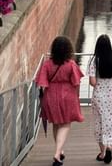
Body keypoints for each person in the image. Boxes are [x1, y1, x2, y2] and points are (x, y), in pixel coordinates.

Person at [35, 36, 84, 166]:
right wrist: (77, 96)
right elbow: (76, 82)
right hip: (67, 95)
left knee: (56, 124)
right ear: (68, 50)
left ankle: (60, 150)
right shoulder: (71, 64)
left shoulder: (47, 64)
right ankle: (57, 153)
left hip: (51, 96)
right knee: (66, 124)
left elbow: (42, 83)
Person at [88, 35, 112, 163]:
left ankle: (102, 153)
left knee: (99, 121)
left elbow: (92, 82)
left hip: (99, 95)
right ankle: (109, 146)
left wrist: (99, 81)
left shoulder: (94, 61)